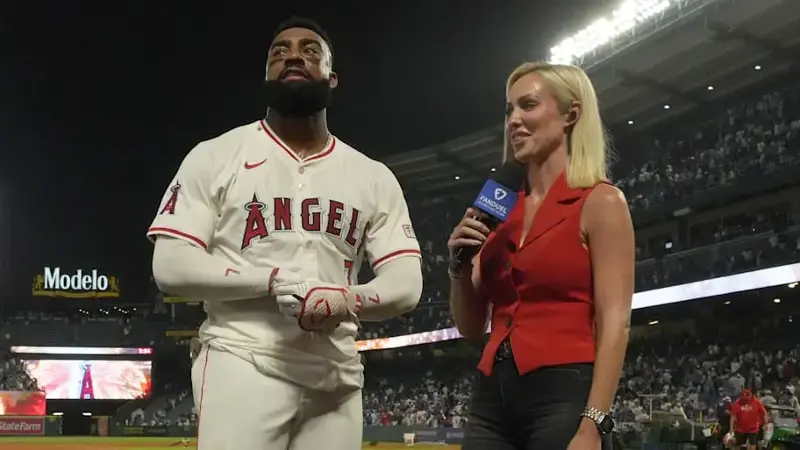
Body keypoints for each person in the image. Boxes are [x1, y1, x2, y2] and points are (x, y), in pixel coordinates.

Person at [147, 17, 423, 450]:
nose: (293, 55)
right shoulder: (216, 155)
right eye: (279, 52)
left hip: (338, 375)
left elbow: (406, 283)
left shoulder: (373, 176)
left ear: (332, 78)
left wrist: (345, 299)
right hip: (241, 359)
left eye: (310, 51)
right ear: (266, 75)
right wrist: (271, 280)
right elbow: (170, 265)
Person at [447, 61, 634, 449]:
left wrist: (593, 424)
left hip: (564, 392)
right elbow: (469, 328)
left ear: (571, 114)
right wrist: (458, 266)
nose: (513, 120)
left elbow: (615, 322)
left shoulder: (601, 202)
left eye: (528, 105)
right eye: (509, 110)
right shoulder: (496, 209)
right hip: (490, 398)